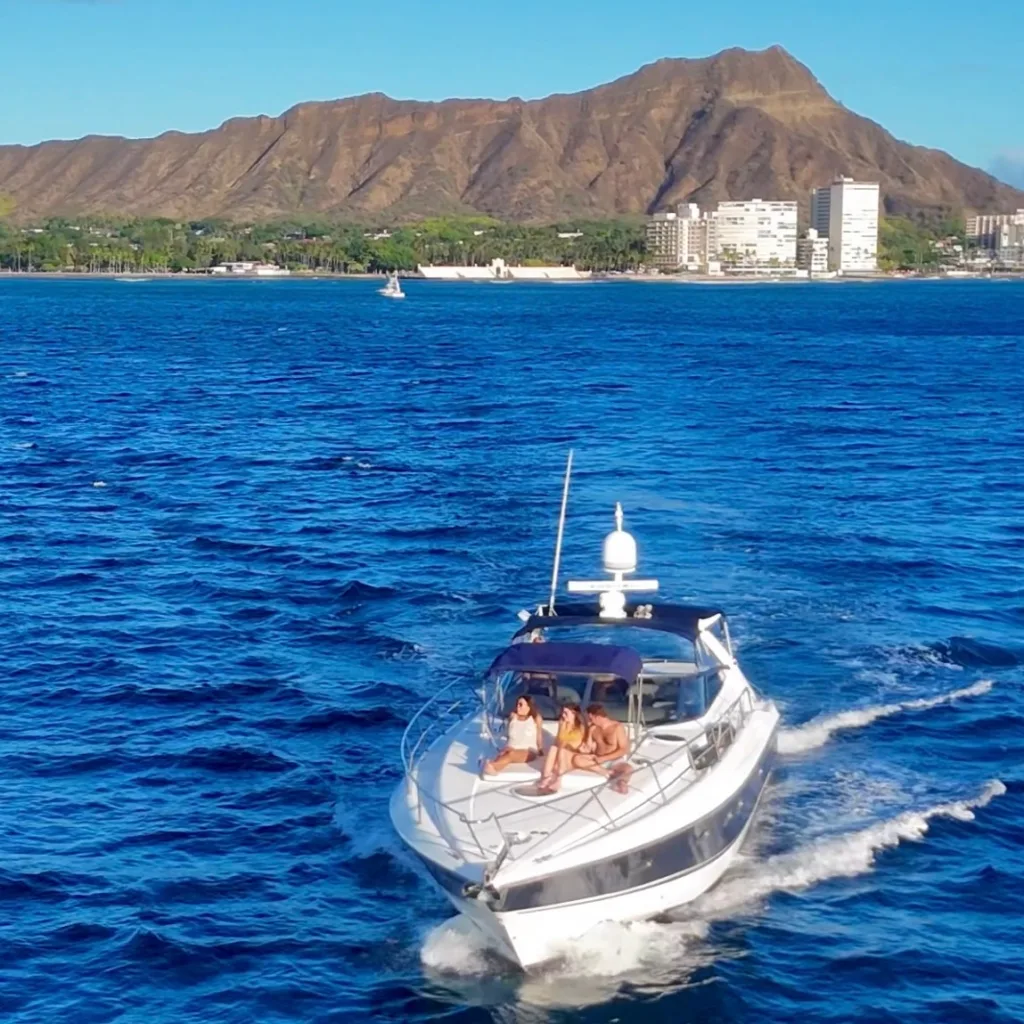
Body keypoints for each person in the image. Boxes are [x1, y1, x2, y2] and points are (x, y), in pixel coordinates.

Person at [572, 703, 633, 794]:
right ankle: (606, 772)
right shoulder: (593, 728)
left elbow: (624, 749)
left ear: (596, 717)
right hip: (597, 759)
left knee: (628, 768)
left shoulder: (617, 727)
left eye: (591, 718)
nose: (590, 721)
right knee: (577, 759)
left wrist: (604, 758)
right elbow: (588, 749)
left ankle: (621, 782)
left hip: (614, 760)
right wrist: (588, 738)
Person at [482, 696, 545, 776]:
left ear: (528, 706)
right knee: (505, 754)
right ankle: (491, 765)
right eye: (517, 704)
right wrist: (506, 747)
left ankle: (493, 767)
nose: (517, 706)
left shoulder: (536, 718)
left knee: (511, 754)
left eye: (521, 704)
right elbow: (509, 734)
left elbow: (539, 734)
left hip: (529, 751)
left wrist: (540, 749)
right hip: (511, 748)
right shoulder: (512, 717)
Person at [536, 703, 587, 794]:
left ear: (574, 714)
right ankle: (546, 777)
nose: (563, 715)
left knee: (562, 749)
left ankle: (559, 778)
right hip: (561, 755)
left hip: (573, 755)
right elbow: (557, 740)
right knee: (553, 748)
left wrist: (564, 745)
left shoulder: (581, 727)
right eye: (563, 713)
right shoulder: (562, 723)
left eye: (566, 713)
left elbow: (579, 746)